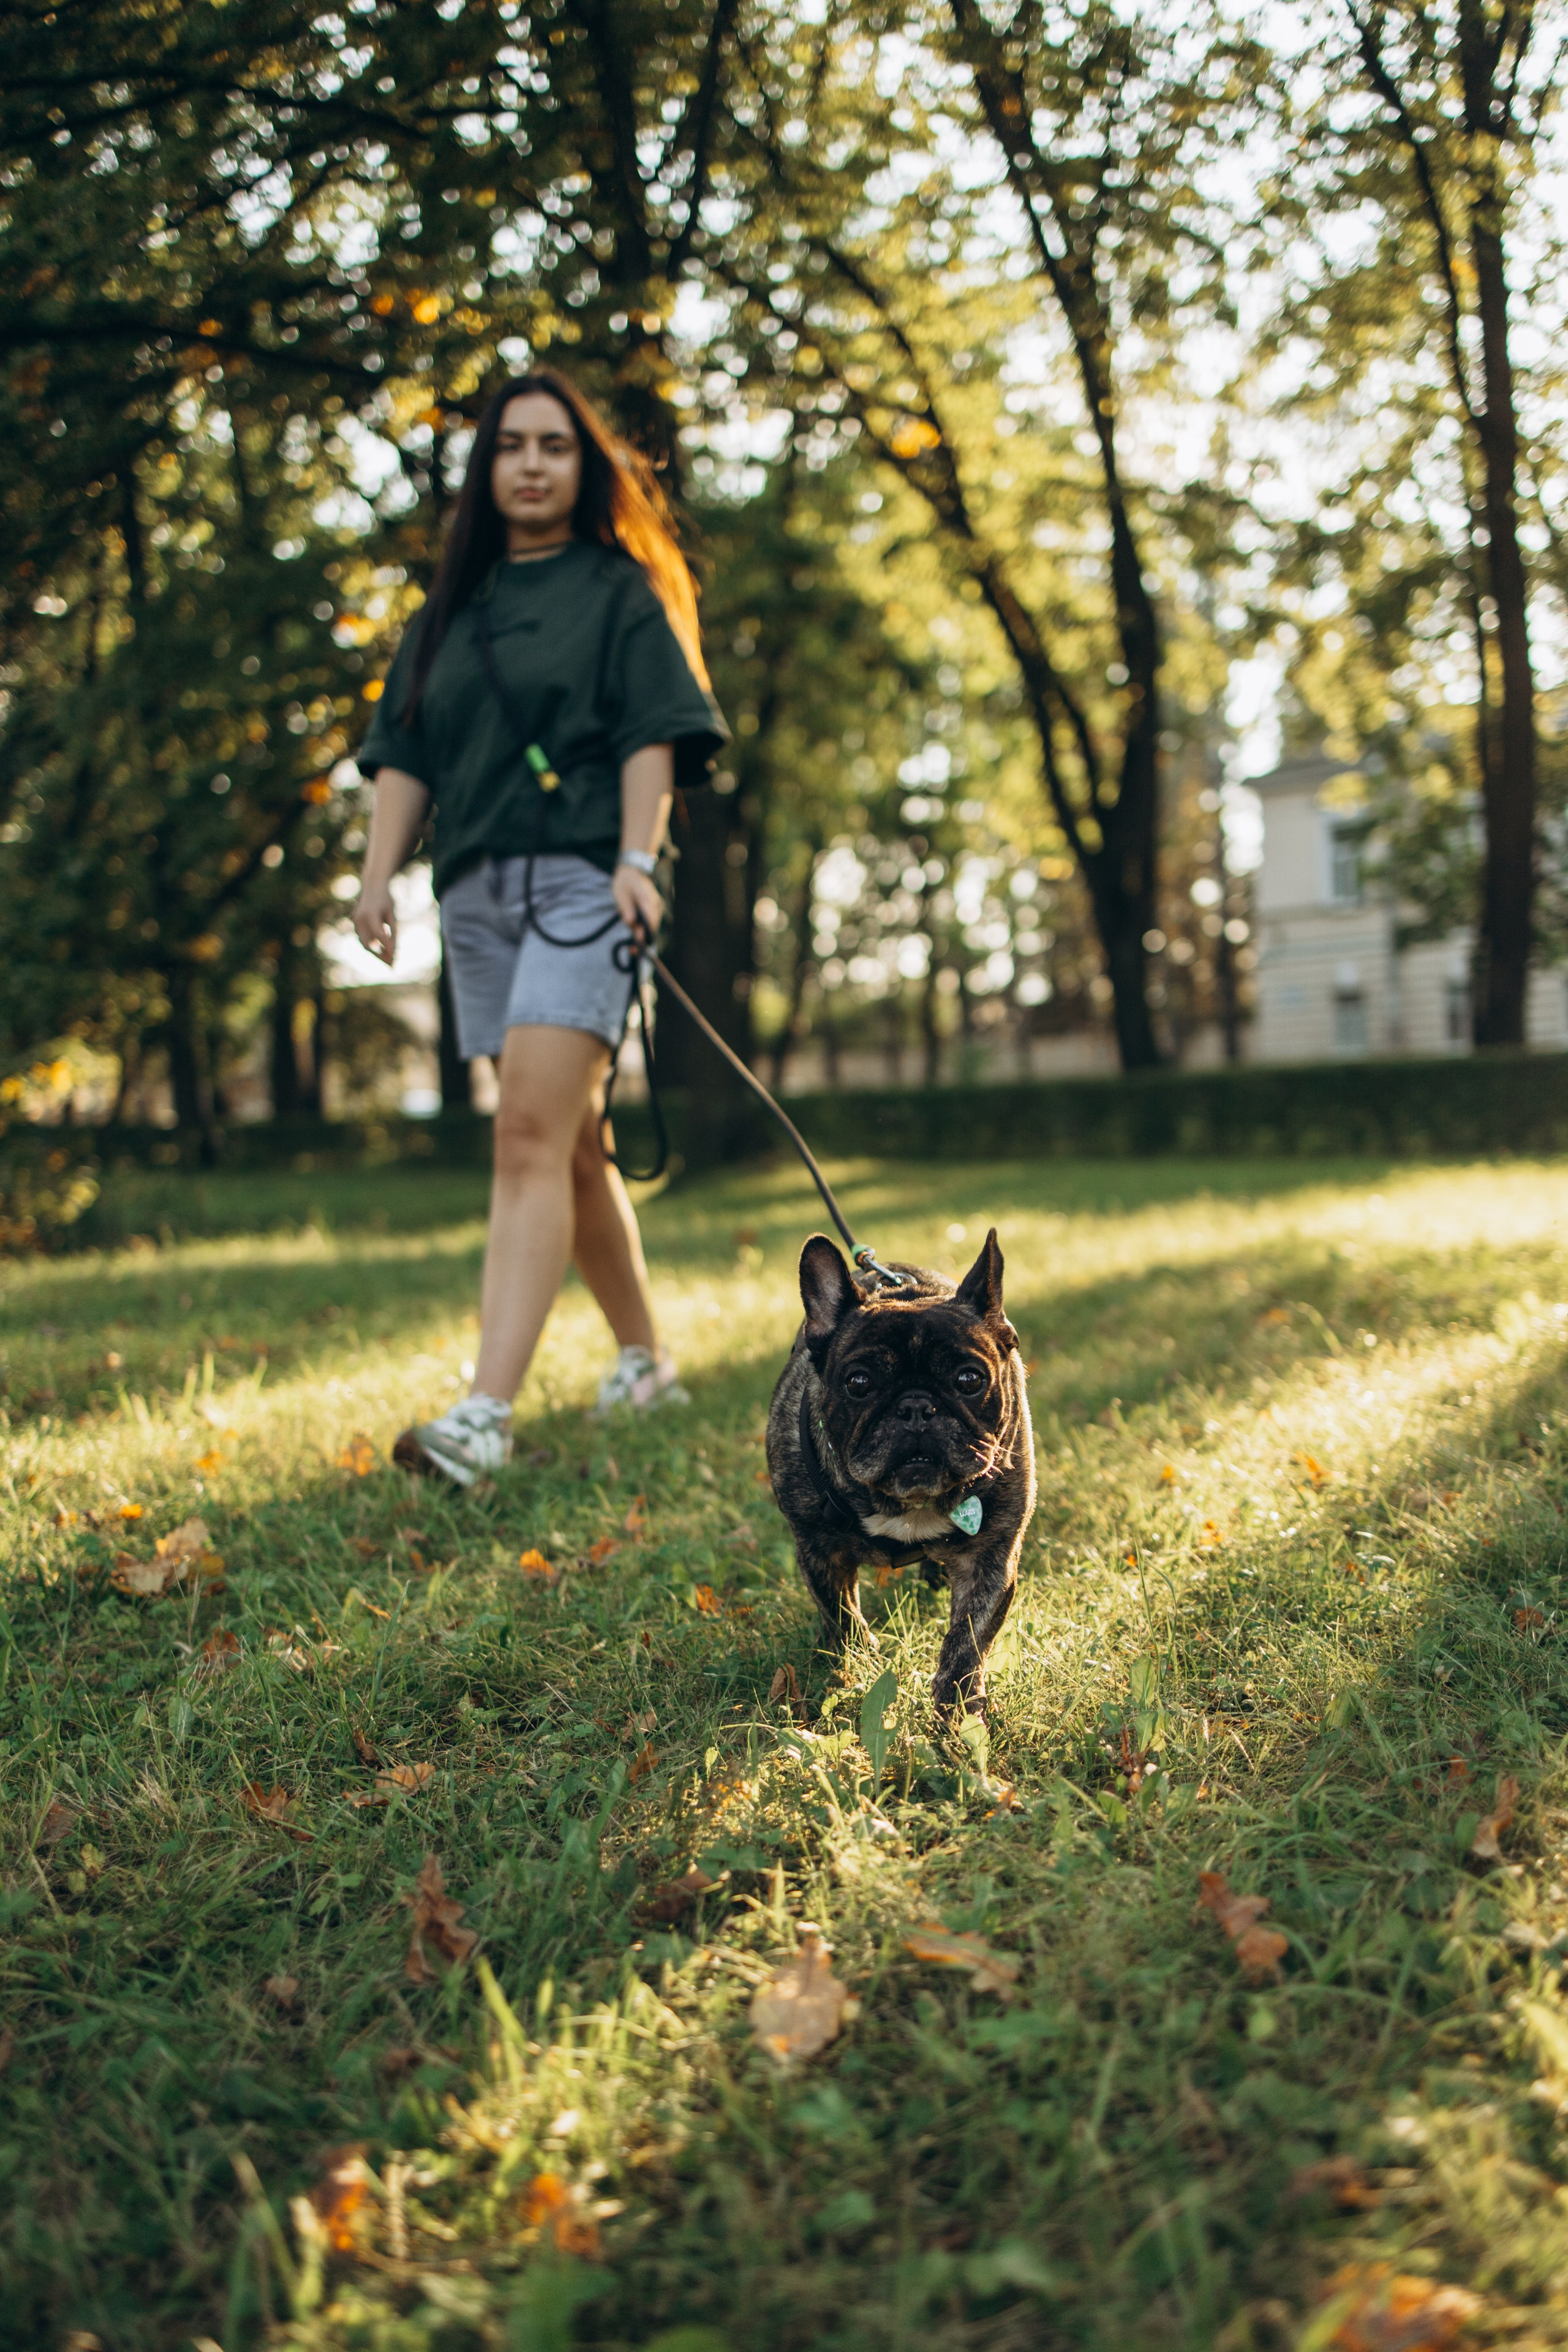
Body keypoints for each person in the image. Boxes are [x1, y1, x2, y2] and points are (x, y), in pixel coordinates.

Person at [352, 369, 727, 1486]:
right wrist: (375, 880)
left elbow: (653, 734)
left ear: (583, 466)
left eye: (554, 446)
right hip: (472, 895)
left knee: (523, 1134)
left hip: (584, 886)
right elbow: (407, 757)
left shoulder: (617, 592)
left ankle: (485, 1416)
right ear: (487, 470)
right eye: (512, 445)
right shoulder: (446, 616)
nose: (531, 464)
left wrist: (636, 862)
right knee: (566, 1144)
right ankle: (645, 1361)